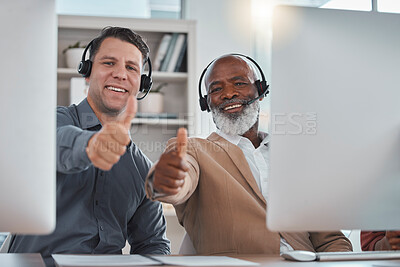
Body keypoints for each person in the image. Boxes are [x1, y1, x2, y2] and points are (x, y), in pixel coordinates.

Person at [145, 54, 352, 255]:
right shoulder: (194, 150)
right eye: (216, 89)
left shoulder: (295, 158)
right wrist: (167, 181)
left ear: (260, 90)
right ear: (206, 103)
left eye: (239, 83)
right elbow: (179, 181)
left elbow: (331, 240)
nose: (228, 94)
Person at [9, 27, 170, 266]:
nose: (120, 74)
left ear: (141, 84)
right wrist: (91, 145)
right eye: (109, 62)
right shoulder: (49, 122)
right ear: (87, 72)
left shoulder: (142, 168)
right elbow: (54, 141)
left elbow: (153, 243)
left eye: (131, 68)